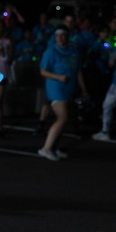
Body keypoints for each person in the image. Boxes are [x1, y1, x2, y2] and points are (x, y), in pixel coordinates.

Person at [38, 27, 88, 161]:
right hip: (56, 88)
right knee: (62, 118)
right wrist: (58, 77)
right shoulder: (51, 52)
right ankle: (46, 148)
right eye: (57, 35)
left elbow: (78, 71)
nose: (60, 38)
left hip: (68, 89)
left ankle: (54, 147)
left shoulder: (74, 52)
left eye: (62, 35)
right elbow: (43, 71)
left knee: (64, 120)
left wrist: (83, 89)